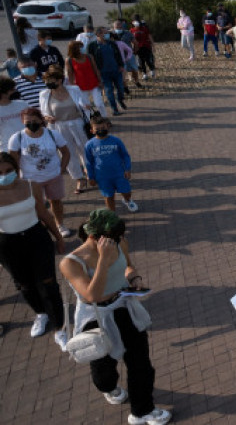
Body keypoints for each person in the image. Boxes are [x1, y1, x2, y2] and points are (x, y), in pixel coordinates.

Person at [59, 209, 172, 425]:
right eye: (113, 239)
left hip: (124, 307)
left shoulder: (120, 243)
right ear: (94, 236)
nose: (118, 242)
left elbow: (128, 266)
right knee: (104, 369)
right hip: (96, 317)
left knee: (141, 363)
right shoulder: (71, 263)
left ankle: (142, 410)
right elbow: (92, 295)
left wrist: (135, 278)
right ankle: (108, 388)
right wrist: (103, 260)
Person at [0, 151, 67, 350]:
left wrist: (58, 236)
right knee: (24, 284)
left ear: (17, 169)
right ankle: (41, 313)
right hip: (7, 244)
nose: (5, 175)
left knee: (48, 283)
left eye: (9, 170)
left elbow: (43, 213)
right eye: (0, 172)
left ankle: (60, 328)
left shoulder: (31, 186)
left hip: (36, 238)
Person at [8, 106, 73, 237]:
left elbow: (66, 153)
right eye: (28, 121)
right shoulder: (17, 138)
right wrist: (17, 179)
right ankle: (45, 228)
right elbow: (13, 161)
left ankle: (60, 224)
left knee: (56, 202)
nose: (32, 123)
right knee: (38, 206)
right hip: (31, 180)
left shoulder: (52, 134)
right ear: (22, 121)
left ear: (41, 120)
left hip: (53, 176)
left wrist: (61, 169)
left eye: (35, 120)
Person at [39, 66, 90, 194]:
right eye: (46, 80)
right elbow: (43, 112)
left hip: (77, 123)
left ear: (60, 80)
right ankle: (79, 179)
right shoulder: (44, 94)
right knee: (68, 153)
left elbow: (84, 105)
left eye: (51, 80)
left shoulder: (74, 89)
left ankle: (91, 173)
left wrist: (86, 106)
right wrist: (46, 117)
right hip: (59, 126)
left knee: (84, 150)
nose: (48, 83)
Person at [84, 115, 138, 213]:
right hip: (102, 176)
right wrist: (90, 176)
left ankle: (127, 200)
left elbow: (125, 156)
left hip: (119, 173)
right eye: (97, 129)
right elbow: (88, 162)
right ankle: (112, 215)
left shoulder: (116, 141)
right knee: (108, 196)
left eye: (103, 128)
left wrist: (127, 169)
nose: (101, 130)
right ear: (91, 130)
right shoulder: (89, 145)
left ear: (108, 127)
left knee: (126, 192)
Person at [89, 27, 127, 116]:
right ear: (98, 34)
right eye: (104, 33)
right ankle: (114, 109)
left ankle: (120, 99)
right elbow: (91, 59)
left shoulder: (111, 43)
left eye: (107, 33)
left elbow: (118, 55)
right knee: (109, 91)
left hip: (116, 70)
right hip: (103, 72)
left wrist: (121, 65)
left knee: (121, 88)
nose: (107, 35)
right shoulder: (92, 46)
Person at [66, 40, 107, 117]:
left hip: (94, 83)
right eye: (80, 47)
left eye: (82, 47)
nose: (82, 48)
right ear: (74, 49)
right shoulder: (69, 60)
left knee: (99, 104)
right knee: (86, 106)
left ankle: (104, 118)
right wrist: (72, 88)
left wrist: (100, 81)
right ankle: (89, 121)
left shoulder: (89, 57)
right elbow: (70, 75)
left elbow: (95, 69)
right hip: (80, 86)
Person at [1, 77, 29, 152]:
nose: (14, 91)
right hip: (8, 148)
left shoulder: (22, 104)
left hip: (29, 144)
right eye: (11, 90)